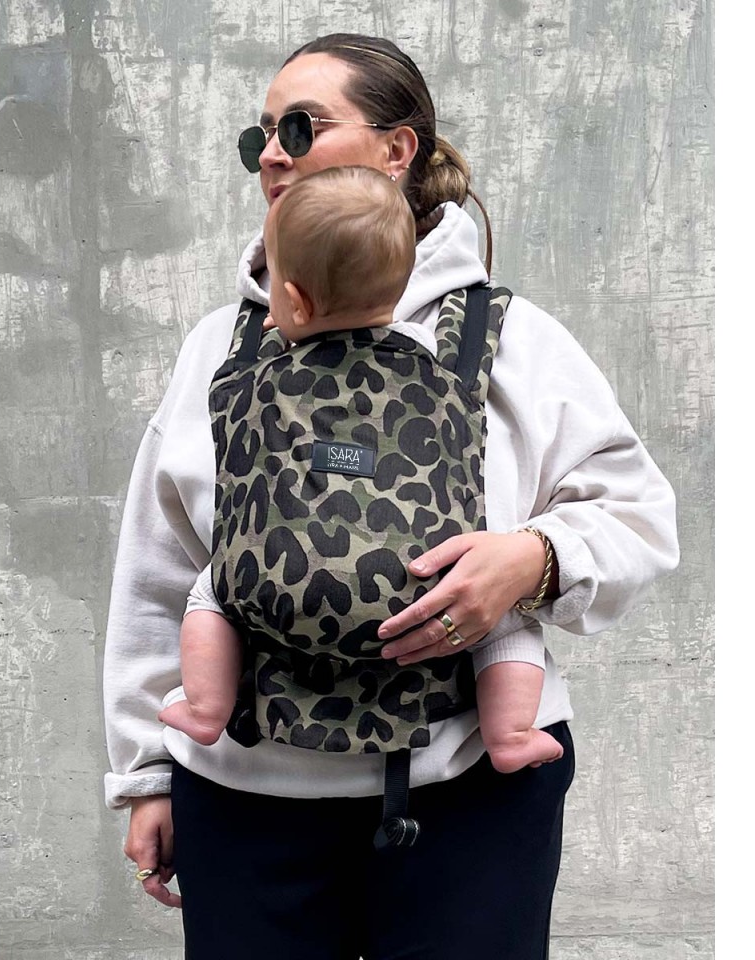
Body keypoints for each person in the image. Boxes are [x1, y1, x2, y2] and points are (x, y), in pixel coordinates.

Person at [103, 33, 679, 959]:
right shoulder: (220, 346)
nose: (273, 154)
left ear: (396, 147)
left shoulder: (511, 336)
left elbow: (637, 516)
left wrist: (532, 560)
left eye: (301, 127)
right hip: (245, 796)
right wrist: (146, 775)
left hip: (469, 793)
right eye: (260, 137)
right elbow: (159, 568)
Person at [158, 165, 564, 775]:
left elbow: (156, 561)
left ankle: (206, 706)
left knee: (210, 592)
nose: (272, 155)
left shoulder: (250, 367)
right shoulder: (446, 362)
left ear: (293, 301)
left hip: (274, 588)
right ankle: (509, 732)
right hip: (427, 596)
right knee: (506, 618)